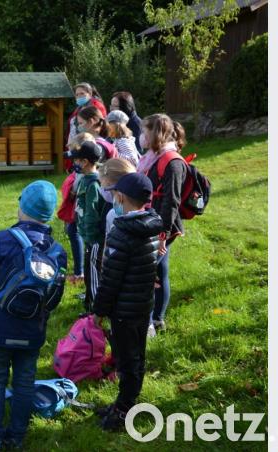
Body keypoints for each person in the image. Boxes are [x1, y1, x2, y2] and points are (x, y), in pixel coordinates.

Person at [0, 181, 67, 452]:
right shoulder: (58, 251)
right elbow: (54, 298)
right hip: (32, 331)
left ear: (22, 207)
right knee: (24, 382)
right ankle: (17, 437)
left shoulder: (3, 239)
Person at [92, 172, 164, 431]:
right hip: (142, 306)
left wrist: (99, 310)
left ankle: (125, 409)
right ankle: (124, 401)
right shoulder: (152, 225)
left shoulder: (122, 232)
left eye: (114, 196)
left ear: (120, 197)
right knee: (134, 356)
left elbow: (110, 279)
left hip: (123, 309)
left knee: (127, 359)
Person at [140, 114, 187, 338]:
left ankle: (149, 323)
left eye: (145, 132)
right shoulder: (152, 157)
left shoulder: (173, 162)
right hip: (152, 221)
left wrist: (162, 235)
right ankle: (157, 320)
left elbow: (171, 202)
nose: (142, 137)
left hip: (162, 226)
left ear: (156, 133)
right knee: (159, 270)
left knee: (146, 273)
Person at [64, 141, 105, 313]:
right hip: (87, 236)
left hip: (93, 238)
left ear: (85, 162)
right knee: (88, 272)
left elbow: (92, 214)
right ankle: (89, 300)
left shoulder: (93, 184)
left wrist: (88, 235)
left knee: (94, 273)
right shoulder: (84, 180)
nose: (74, 163)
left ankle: (96, 310)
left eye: (77, 160)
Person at [57, 132, 96, 284]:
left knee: (80, 237)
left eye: (77, 158)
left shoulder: (91, 180)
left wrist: (72, 191)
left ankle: (82, 275)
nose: (74, 162)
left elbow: (90, 206)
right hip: (79, 214)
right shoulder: (83, 172)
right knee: (74, 233)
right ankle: (82, 274)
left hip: (84, 219)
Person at [97, 158, 137, 236]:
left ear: (109, 185)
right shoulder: (144, 211)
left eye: (101, 183)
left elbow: (108, 244)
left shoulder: (113, 214)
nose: (101, 187)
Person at [66, 82, 108, 152]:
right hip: (78, 141)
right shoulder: (80, 107)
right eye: (77, 95)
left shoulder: (96, 105)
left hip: (90, 141)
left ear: (90, 94)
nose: (79, 96)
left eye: (82, 93)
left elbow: (96, 126)